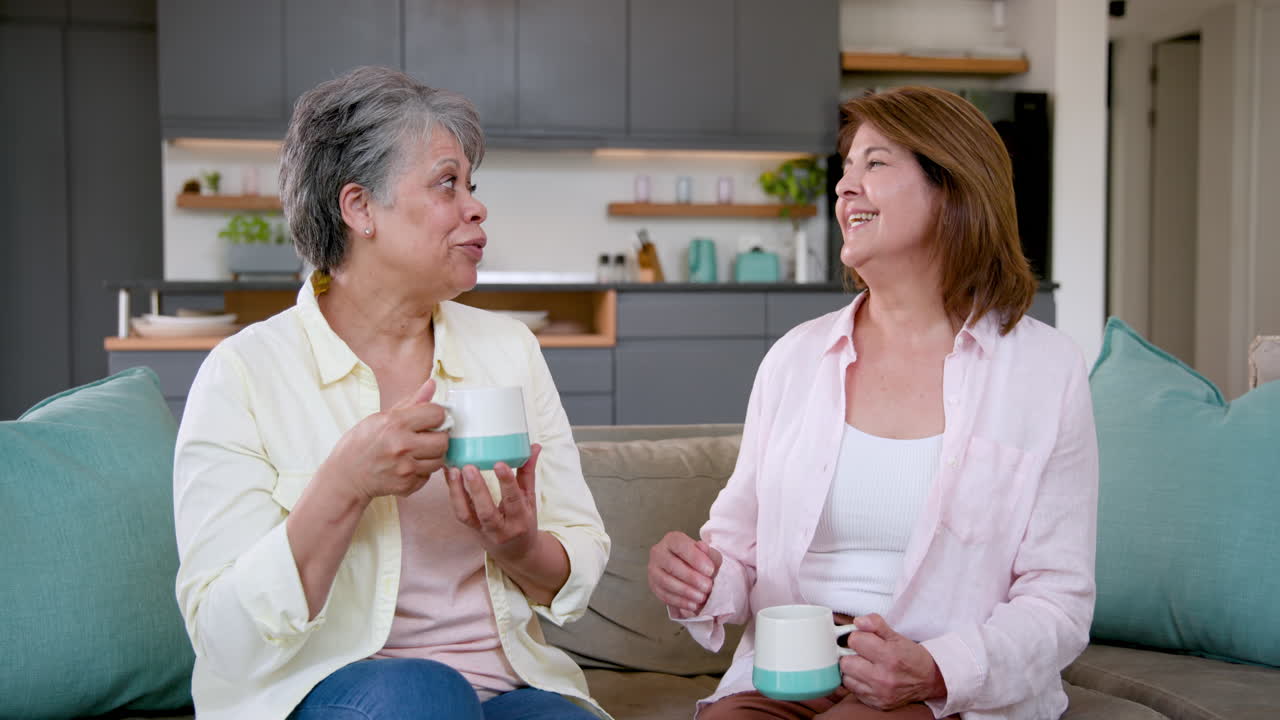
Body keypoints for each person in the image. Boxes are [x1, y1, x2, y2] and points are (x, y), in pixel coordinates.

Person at [173, 66, 610, 720]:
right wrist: (344, 485)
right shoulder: (244, 373)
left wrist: (519, 546)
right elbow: (222, 636)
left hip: (506, 688)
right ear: (359, 208)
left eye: (471, 186)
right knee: (423, 696)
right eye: (446, 183)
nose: (475, 207)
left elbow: (579, 552)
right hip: (324, 689)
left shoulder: (509, 350)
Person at [648, 85, 1098, 720]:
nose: (843, 186)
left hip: (943, 689)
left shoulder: (1045, 370)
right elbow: (739, 550)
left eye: (875, 163)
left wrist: (935, 670)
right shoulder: (795, 359)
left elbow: (1058, 598)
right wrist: (699, 579)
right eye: (846, 166)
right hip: (790, 671)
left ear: (953, 187)